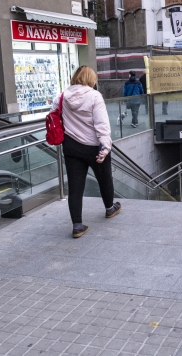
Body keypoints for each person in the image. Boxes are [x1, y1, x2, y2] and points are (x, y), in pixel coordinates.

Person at [53, 66, 121, 238]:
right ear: (91, 79)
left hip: (71, 147)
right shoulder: (94, 96)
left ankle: (77, 225)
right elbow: (101, 123)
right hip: (93, 146)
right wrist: (105, 146)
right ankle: (109, 208)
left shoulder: (62, 96)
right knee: (104, 179)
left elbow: (54, 116)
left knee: (75, 187)